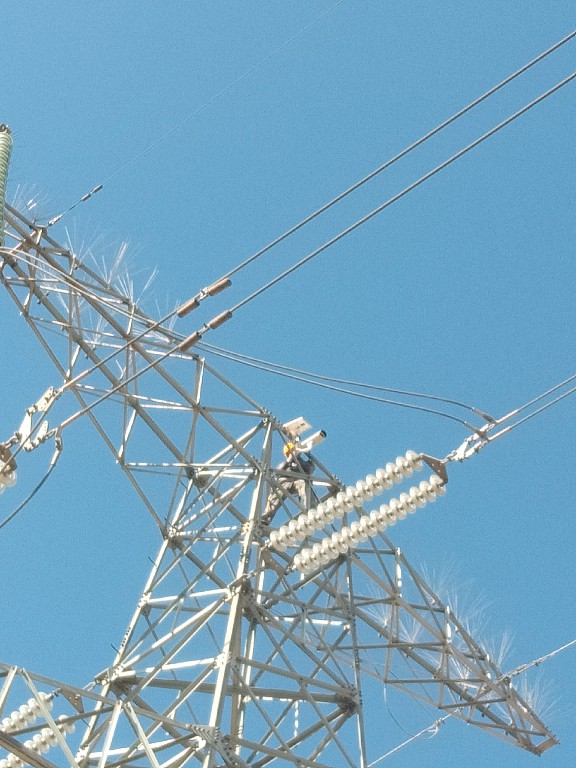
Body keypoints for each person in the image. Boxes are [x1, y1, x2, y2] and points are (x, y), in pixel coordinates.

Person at [262, 442, 314, 524]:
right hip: (285, 482)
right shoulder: (286, 463)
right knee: (276, 496)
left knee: (304, 485)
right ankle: (266, 518)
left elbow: (310, 469)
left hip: (297, 481)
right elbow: (278, 471)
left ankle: (308, 508)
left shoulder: (301, 462)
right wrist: (288, 461)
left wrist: (308, 460)